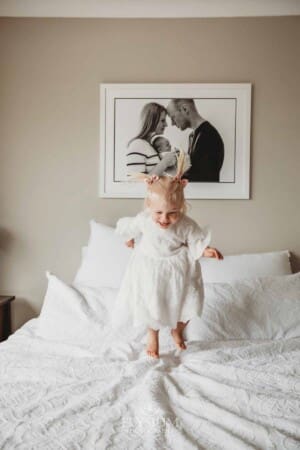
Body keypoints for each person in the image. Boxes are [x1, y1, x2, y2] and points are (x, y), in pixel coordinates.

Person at [111, 151, 223, 359]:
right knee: (152, 303)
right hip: (150, 266)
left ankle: (177, 329)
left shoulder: (185, 224)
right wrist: (129, 238)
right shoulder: (145, 219)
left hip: (178, 268)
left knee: (189, 301)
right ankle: (152, 335)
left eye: (172, 213)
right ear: (149, 207)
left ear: (181, 208)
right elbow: (131, 227)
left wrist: (205, 250)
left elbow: (196, 239)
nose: (164, 219)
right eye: (158, 213)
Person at [167, 99, 224, 182]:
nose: (172, 123)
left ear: (185, 109)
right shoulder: (194, 135)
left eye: (173, 117)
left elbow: (202, 178)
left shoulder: (208, 135)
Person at [126, 102, 176, 177]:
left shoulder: (151, 145)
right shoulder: (137, 145)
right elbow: (136, 182)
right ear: (152, 121)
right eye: (162, 120)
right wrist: (165, 161)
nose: (166, 124)